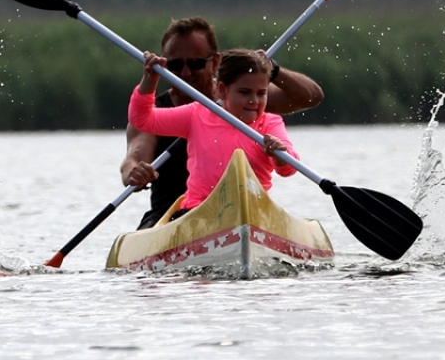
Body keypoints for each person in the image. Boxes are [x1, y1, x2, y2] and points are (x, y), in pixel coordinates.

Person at [120, 17, 323, 229]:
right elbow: (133, 156)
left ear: (215, 62)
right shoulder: (175, 111)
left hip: (249, 214)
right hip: (176, 216)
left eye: (196, 63)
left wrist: (273, 70)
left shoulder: (247, 98)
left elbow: (311, 97)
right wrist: (133, 172)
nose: (185, 73)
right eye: (175, 65)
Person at [128, 48, 299, 219]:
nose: (254, 101)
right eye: (244, 92)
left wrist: (279, 155)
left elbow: (289, 169)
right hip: (198, 213)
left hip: (255, 214)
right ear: (223, 90)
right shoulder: (197, 114)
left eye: (261, 93)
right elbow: (142, 119)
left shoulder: (270, 123)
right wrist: (150, 80)